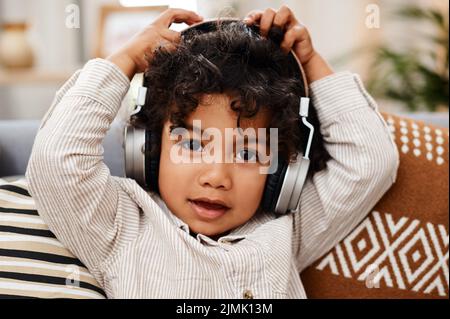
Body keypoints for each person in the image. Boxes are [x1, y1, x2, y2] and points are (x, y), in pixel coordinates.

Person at [25, 6, 399, 298]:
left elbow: (370, 161)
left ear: (281, 174)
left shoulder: (287, 232)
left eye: (250, 154)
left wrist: (310, 60)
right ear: (149, 147)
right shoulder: (122, 226)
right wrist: (125, 60)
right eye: (191, 144)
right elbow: (57, 160)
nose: (216, 178)